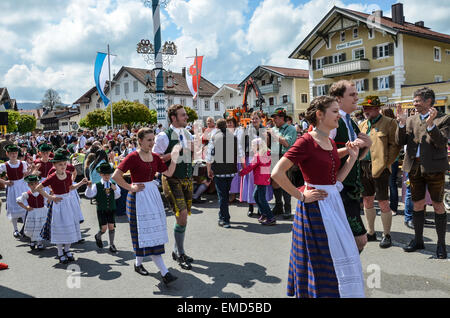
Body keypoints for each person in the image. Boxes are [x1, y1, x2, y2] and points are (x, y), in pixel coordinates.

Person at [271, 95, 365, 298]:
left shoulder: (329, 141)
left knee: (340, 254)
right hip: (315, 208)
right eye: (334, 111)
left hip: (333, 204)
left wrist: (352, 156)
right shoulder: (305, 141)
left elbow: (335, 180)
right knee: (321, 261)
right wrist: (301, 196)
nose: (338, 115)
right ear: (320, 115)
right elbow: (277, 173)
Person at [112, 128, 179, 285]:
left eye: (153, 139)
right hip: (138, 197)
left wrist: (174, 158)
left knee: (151, 231)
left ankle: (137, 264)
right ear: (140, 140)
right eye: (149, 140)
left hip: (152, 195)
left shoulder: (155, 157)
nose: (152, 142)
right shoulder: (133, 157)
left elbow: (168, 173)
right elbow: (116, 176)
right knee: (142, 232)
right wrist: (131, 187)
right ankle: (164, 272)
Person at [396, 87, 449, 259]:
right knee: (417, 204)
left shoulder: (445, 118)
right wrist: (402, 123)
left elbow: (441, 143)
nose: (414, 103)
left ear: (428, 101)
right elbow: (399, 141)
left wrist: (431, 124)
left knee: (438, 205)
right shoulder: (411, 119)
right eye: (414, 100)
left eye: (417, 100)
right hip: (414, 167)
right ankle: (418, 241)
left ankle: (441, 245)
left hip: (434, 169)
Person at [329, 80, 372, 253]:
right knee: (359, 240)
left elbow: (356, 158)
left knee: (348, 240)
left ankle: (342, 274)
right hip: (339, 189)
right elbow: (323, 154)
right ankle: (343, 274)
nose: (357, 97)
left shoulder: (352, 122)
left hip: (351, 189)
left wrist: (366, 146)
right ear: (339, 99)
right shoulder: (332, 121)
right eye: (352, 94)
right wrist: (351, 147)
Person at [153, 104, 195, 270]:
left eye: (185, 115)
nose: (186, 117)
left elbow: (192, 153)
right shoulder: (163, 136)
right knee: (182, 215)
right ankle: (180, 253)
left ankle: (177, 250)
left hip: (187, 178)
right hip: (171, 179)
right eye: (183, 115)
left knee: (183, 218)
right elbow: (156, 160)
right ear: (173, 118)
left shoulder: (187, 133)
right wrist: (173, 153)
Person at [358, 96, 400, 248]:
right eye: (364, 108)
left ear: (377, 108)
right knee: (367, 200)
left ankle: (386, 235)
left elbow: (395, 146)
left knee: (383, 202)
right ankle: (371, 232)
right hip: (363, 166)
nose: (365, 111)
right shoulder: (362, 125)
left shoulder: (389, 123)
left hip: (380, 168)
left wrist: (386, 163)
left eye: (368, 108)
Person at [36, 148, 88, 264]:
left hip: (68, 202)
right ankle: (60, 252)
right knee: (60, 227)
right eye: (60, 164)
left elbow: (70, 188)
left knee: (70, 226)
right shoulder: (53, 177)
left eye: (64, 164)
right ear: (54, 165)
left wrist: (81, 183)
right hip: (58, 204)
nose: (63, 166)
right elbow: (38, 188)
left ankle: (67, 250)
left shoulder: (68, 174)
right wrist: (51, 198)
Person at [206, 118, 240, 228]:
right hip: (231, 170)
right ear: (225, 125)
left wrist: (209, 169)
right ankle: (222, 216)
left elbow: (209, 156)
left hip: (219, 170)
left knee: (222, 196)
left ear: (216, 126)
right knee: (224, 194)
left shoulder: (214, 137)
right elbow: (239, 152)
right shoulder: (234, 137)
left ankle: (225, 219)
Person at [240, 111, 272, 217]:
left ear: (260, 119)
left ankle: (261, 208)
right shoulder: (246, 130)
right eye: (252, 119)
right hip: (251, 157)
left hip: (263, 159)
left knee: (261, 184)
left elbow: (268, 146)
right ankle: (250, 207)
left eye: (256, 118)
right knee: (251, 184)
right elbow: (242, 146)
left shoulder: (265, 131)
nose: (254, 120)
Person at [268, 108, 298, 219]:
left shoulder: (291, 129)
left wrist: (274, 134)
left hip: (286, 158)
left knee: (286, 183)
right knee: (275, 182)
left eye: (275, 118)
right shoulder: (274, 129)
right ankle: (278, 205)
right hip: (275, 157)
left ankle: (288, 207)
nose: (274, 120)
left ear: (282, 118)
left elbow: (287, 143)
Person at [85, 163, 121, 253]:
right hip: (101, 209)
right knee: (104, 228)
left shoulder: (113, 184)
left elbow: (117, 196)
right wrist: (89, 187)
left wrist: (115, 189)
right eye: (104, 174)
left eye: (108, 174)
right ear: (100, 174)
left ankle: (112, 244)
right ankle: (98, 235)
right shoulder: (97, 185)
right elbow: (89, 195)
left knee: (111, 226)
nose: (107, 176)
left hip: (111, 208)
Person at [239, 137, 274, 225]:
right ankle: (264, 213)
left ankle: (270, 217)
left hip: (260, 179)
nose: (252, 147)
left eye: (253, 145)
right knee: (256, 196)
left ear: (258, 146)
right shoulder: (267, 153)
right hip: (264, 178)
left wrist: (241, 173)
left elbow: (251, 166)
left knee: (261, 198)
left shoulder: (258, 155)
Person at [0, 144, 30, 238]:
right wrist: (5, 182)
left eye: (15, 153)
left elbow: (25, 175)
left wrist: (30, 171)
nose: (14, 155)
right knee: (14, 208)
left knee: (25, 207)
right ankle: (15, 229)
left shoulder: (23, 163)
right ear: (7, 154)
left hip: (22, 186)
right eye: (12, 153)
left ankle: (25, 229)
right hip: (12, 188)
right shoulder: (4, 165)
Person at [16, 175, 47, 250]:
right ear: (28, 185)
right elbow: (18, 201)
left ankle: (39, 242)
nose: (34, 185)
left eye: (36, 183)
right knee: (33, 226)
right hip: (32, 212)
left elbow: (48, 199)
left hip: (42, 211)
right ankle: (32, 240)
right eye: (32, 184)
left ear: (39, 183)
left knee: (40, 226)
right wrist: (26, 207)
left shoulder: (43, 192)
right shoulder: (27, 194)